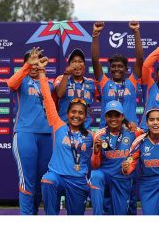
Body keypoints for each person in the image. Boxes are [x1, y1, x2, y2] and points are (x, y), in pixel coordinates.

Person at [36, 51, 93, 215]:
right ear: (67, 113)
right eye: (73, 112)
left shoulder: (90, 136)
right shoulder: (59, 126)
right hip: (57, 177)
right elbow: (48, 96)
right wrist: (41, 71)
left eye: (80, 113)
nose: (76, 115)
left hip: (77, 180)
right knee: (48, 180)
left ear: (86, 116)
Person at [7, 47, 53, 215]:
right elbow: (10, 83)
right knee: (27, 181)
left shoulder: (48, 83)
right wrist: (28, 65)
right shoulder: (21, 81)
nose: (35, 65)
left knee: (43, 180)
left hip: (47, 136)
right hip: (25, 134)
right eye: (32, 61)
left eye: (38, 61)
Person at [89, 100, 143, 215]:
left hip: (123, 178)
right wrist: (96, 151)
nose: (113, 119)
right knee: (95, 176)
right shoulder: (99, 134)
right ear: (105, 117)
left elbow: (152, 133)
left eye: (117, 115)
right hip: (106, 176)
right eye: (110, 115)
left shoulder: (133, 131)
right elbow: (94, 165)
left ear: (122, 116)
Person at [91, 21, 143, 128]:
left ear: (126, 69)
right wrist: (95, 34)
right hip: (107, 130)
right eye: (113, 66)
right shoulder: (104, 82)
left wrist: (136, 31)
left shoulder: (131, 82)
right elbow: (95, 60)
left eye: (120, 66)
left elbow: (140, 58)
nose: (116, 69)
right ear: (110, 69)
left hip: (130, 130)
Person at [54, 48, 98, 129]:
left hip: (85, 130)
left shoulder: (91, 83)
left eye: (80, 61)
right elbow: (59, 94)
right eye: (74, 62)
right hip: (64, 129)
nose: (77, 64)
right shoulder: (61, 79)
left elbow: (103, 98)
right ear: (69, 65)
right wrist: (66, 74)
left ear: (84, 65)